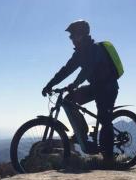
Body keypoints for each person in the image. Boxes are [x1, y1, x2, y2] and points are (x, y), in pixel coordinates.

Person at [41, 20, 119, 163]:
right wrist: (49, 85)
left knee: (104, 119)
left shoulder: (95, 49)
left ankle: (109, 158)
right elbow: (66, 70)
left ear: (82, 34)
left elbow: (87, 69)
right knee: (69, 100)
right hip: (95, 87)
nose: (71, 39)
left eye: (73, 36)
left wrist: (75, 84)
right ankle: (81, 134)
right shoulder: (79, 54)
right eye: (70, 37)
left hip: (108, 87)